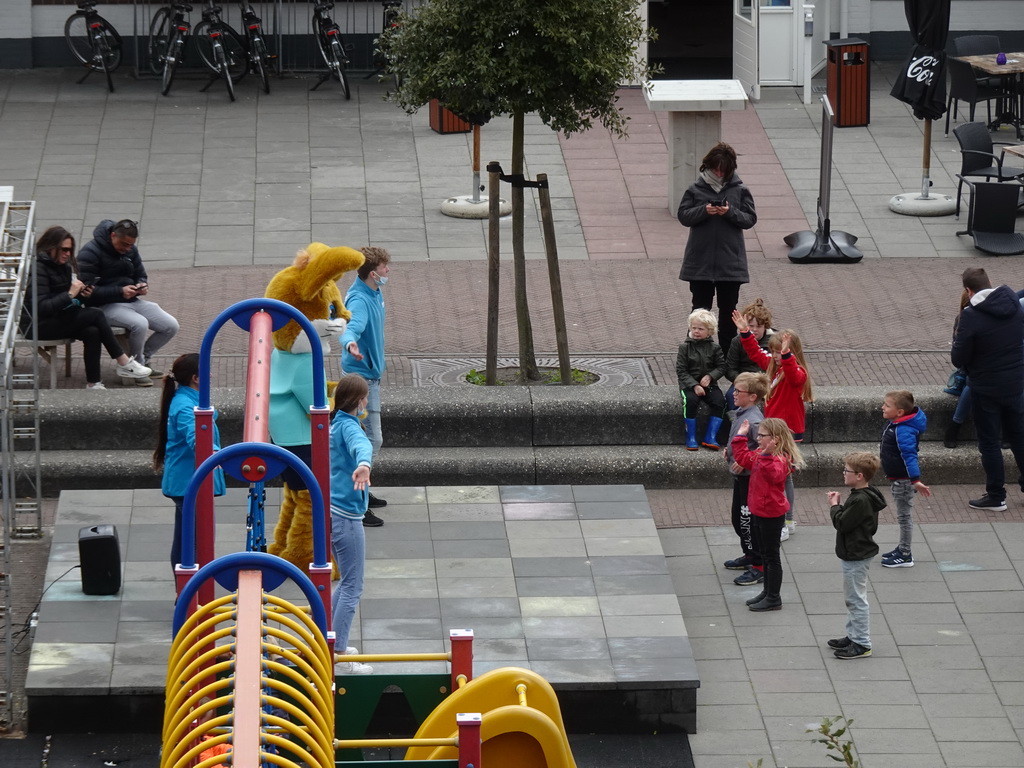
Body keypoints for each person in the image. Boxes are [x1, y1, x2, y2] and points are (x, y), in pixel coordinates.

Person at [19, 225, 152, 389]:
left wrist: (82, 294)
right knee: (95, 314)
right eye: (64, 250)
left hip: (56, 318)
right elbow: (42, 307)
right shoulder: (37, 268)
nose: (68, 254)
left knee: (92, 331)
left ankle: (94, 383)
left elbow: (64, 300)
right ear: (51, 248)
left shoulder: (63, 266)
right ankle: (123, 362)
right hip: (36, 325)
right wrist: (70, 294)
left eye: (70, 250)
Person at [733, 312, 814, 540]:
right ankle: (786, 519)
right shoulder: (775, 367)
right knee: (779, 475)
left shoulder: (796, 371)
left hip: (785, 432)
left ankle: (786, 520)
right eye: (776, 351)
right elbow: (755, 353)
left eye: (781, 352)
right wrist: (745, 333)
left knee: (784, 476)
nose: (776, 356)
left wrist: (787, 355)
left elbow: (793, 374)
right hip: (774, 430)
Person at [950, 267, 1024, 511]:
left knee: (990, 443)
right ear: (989, 283)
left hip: (985, 387)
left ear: (968, 291)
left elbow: (959, 358)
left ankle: (996, 496)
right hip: (1015, 382)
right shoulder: (1013, 303)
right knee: (1019, 437)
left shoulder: (970, 317)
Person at [677, 142, 757, 350]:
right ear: (708, 166)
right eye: (716, 168)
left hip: (730, 263)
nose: (719, 173)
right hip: (700, 262)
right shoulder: (695, 189)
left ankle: (726, 354)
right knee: (699, 310)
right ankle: (694, 352)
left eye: (723, 169)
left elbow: (749, 219)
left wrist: (730, 212)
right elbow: (684, 216)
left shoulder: (740, 190)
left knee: (728, 310)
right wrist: (704, 210)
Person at [77, 219, 179, 381]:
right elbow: (86, 291)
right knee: (139, 323)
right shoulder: (89, 253)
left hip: (131, 300)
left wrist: (142, 284)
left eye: (131, 245)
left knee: (170, 325)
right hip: (103, 306)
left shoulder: (131, 250)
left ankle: (142, 361)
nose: (127, 249)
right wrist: (119, 291)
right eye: (124, 244)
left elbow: (140, 273)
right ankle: (136, 367)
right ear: (112, 236)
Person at [154, 353, 225, 571]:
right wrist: (216, 454)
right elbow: (196, 437)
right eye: (207, 371)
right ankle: (190, 594)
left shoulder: (186, 399)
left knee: (186, 540)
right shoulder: (186, 406)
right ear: (196, 378)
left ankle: (184, 592)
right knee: (196, 543)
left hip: (186, 481)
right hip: (190, 483)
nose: (211, 374)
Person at [730, 417, 803, 612]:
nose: (758, 438)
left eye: (762, 435)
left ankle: (773, 597)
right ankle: (767, 591)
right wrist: (740, 437)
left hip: (771, 514)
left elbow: (774, 475)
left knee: (772, 557)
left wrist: (766, 455)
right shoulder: (763, 454)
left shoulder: (779, 458)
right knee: (764, 554)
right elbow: (744, 459)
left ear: (775, 439)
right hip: (759, 510)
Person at [329, 374, 376, 675]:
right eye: (366, 397)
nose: (367, 402)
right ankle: (340, 653)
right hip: (346, 516)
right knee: (353, 585)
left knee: (345, 581)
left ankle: (331, 639)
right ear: (358, 401)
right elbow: (362, 446)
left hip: (335, 511)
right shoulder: (348, 426)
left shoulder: (334, 424)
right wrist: (364, 465)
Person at [340, 246, 391, 522]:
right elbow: (352, 326)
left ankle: (363, 490)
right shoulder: (359, 300)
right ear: (373, 273)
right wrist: (349, 343)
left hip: (370, 374)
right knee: (371, 439)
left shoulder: (374, 291)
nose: (388, 272)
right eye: (384, 268)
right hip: (363, 379)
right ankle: (357, 498)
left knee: (365, 439)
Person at [826, 452, 887, 660]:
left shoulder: (859, 500)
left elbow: (842, 523)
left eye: (847, 470)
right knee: (853, 597)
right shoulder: (864, 494)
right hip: (858, 551)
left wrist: (835, 506)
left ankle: (862, 643)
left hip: (855, 554)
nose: (844, 473)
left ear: (859, 475)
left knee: (855, 600)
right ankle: (853, 636)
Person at [722, 372, 770, 587]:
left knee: (747, 522)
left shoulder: (756, 420)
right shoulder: (743, 413)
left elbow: (766, 449)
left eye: (738, 391)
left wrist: (744, 460)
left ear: (752, 397)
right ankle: (749, 554)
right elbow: (738, 438)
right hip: (741, 478)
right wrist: (729, 449)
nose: (733, 394)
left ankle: (758, 565)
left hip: (750, 479)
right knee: (738, 519)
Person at [879, 390, 930, 568]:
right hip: (899, 478)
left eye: (887, 405)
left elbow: (910, 456)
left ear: (900, 412)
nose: (882, 407)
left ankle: (905, 554)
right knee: (903, 516)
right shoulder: (897, 424)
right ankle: (902, 548)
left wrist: (915, 480)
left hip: (903, 480)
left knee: (904, 517)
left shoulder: (902, 430)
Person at [676, 309, 727, 451]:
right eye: (694, 328)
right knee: (690, 401)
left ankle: (710, 436)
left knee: (720, 402)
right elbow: (681, 370)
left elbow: (722, 367)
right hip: (689, 384)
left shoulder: (715, 348)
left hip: (709, 384)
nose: (696, 331)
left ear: (709, 331)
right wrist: (694, 385)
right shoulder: (685, 347)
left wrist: (711, 376)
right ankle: (690, 437)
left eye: (700, 329)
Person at [724, 298, 774, 411]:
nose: (755, 330)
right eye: (751, 326)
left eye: (759, 326)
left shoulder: (774, 342)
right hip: (743, 381)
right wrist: (741, 381)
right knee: (731, 397)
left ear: (765, 326)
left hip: (766, 382)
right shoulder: (737, 341)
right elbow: (729, 369)